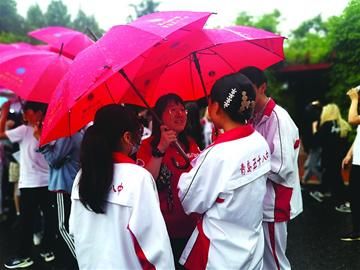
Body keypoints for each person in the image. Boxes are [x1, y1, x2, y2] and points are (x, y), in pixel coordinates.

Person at [178, 73, 270, 269]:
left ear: (215, 107)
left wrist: (193, 171)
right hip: (251, 247)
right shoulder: (259, 142)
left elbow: (188, 199)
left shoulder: (217, 155)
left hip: (219, 254)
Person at [69, 104, 174, 269]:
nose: (140, 137)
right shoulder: (138, 178)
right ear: (127, 137)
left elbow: (75, 232)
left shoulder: (82, 176)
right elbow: (154, 250)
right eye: (138, 132)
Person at [239, 66, 303, 270]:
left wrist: (246, 169)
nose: (246, 97)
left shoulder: (278, 118)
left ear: (263, 87)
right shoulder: (255, 116)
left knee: (276, 261)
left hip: (275, 202)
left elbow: (282, 167)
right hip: (262, 201)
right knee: (265, 260)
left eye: (249, 91)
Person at [136, 94, 200, 265]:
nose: (180, 114)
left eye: (182, 109)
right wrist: (161, 148)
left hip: (195, 227)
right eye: (173, 110)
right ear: (159, 116)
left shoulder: (191, 143)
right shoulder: (147, 147)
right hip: (166, 231)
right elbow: (145, 183)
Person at [0, 101, 55, 269]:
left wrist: (3, 112)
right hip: (39, 183)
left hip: (38, 183)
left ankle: (31, 254)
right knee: (41, 219)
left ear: (39, 113)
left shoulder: (35, 131)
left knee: (35, 220)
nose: (24, 114)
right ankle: (40, 251)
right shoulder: (30, 130)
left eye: (28, 111)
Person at [38, 131, 83, 269]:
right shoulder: (80, 134)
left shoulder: (67, 135)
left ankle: (83, 260)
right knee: (73, 226)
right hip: (72, 183)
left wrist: (44, 146)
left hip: (63, 185)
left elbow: (53, 160)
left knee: (63, 227)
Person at [309, 104, 351, 205]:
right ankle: (322, 191)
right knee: (331, 174)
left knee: (336, 178)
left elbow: (315, 142)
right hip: (340, 156)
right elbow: (345, 143)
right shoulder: (343, 125)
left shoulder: (326, 125)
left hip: (329, 156)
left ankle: (345, 202)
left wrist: (314, 128)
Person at [341, 87, 360, 241]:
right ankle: (357, 230)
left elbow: (352, 119)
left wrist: (354, 100)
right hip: (357, 162)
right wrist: (349, 154)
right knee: (355, 196)